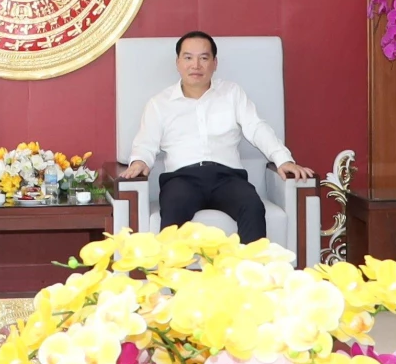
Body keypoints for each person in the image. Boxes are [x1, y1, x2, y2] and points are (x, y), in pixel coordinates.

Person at [121, 31, 315, 243]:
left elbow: (257, 128)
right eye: (188, 58)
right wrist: (139, 161)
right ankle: (173, 266)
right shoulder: (159, 104)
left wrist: (283, 159)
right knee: (173, 208)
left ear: (215, 63)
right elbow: (145, 143)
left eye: (204, 58)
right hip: (181, 180)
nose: (196, 65)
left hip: (228, 178)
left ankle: (252, 265)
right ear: (178, 63)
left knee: (252, 205)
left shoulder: (232, 93)